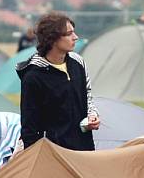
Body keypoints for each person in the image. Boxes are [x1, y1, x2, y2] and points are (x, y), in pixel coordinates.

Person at [17, 12, 99, 151]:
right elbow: (29, 126)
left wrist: (92, 115)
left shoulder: (78, 62)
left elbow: (88, 95)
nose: (76, 37)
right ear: (52, 39)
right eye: (69, 34)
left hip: (83, 147)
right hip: (53, 152)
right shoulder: (33, 76)